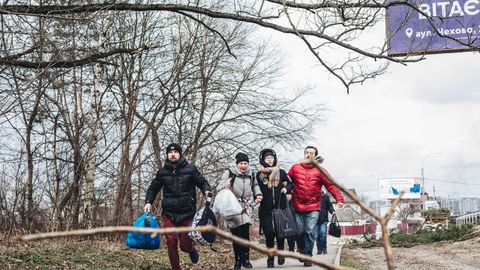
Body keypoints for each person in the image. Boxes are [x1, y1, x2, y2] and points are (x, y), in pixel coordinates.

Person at [144, 143, 211, 270]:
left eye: (175, 152)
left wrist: (206, 190)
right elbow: (153, 189)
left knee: (184, 246)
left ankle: (191, 249)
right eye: (170, 152)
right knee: (171, 241)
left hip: (187, 214)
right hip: (169, 214)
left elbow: (202, 182)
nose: (172, 154)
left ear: (180, 154)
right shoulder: (162, 172)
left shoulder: (190, 170)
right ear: (167, 155)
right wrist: (148, 202)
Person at [287, 146, 344, 267]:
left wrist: (339, 199)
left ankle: (307, 256)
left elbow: (331, 186)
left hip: (313, 206)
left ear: (315, 156)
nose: (308, 155)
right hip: (296, 205)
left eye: (311, 153)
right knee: (298, 231)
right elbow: (286, 181)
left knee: (309, 231)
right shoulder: (295, 168)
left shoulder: (320, 170)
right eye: (306, 153)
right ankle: (302, 249)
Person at [218, 152, 262, 270]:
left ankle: (246, 259)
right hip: (232, 206)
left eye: (245, 163)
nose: (243, 166)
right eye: (241, 163)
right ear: (237, 164)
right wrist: (224, 186)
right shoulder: (229, 173)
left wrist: (258, 195)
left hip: (246, 206)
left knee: (245, 234)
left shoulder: (251, 174)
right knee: (236, 234)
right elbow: (218, 186)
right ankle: (237, 260)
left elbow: (255, 186)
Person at [256, 148, 293, 268]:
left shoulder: (281, 172)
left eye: (271, 158)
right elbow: (255, 188)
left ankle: (281, 253)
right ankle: (270, 259)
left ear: (274, 159)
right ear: (263, 160)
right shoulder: (260, 174)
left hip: (280, 207)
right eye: (267, 158)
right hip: (265, 209)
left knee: (280, 233)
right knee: (269, 234)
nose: (269, 160)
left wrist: (286, 189)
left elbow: (291, 183)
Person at [315, 190, 335, 254]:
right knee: (317, 236)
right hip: (314, 220)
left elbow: (329, 205)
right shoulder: (313, 197)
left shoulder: (326, 197)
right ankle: (319, 249)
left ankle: (324, 248)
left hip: (323, 219)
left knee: (323, 234)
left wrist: (332, 211)